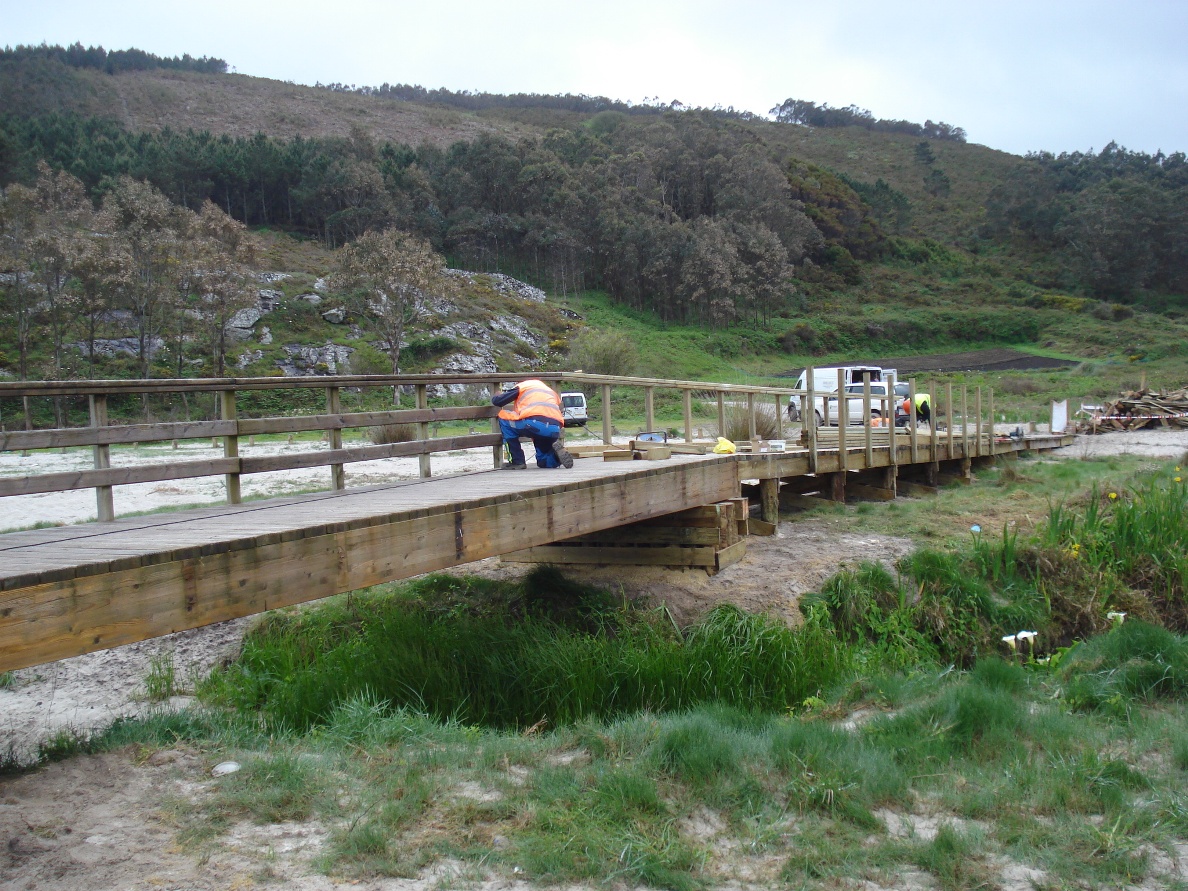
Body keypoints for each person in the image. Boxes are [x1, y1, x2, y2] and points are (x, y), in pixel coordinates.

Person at [491, 380, 574, 469]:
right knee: (543, 461)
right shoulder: (550, 391)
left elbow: (498, 401)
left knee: (504, 418)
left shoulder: (523, 387)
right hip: (554, 428)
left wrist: (497, 395)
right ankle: (556, 457)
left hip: (534, 424)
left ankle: (517, 461)